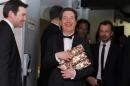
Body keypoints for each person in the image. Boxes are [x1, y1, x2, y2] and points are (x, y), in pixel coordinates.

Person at [43, 8, 93, 86]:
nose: (68, 21)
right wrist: (57, 56)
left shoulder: (84, 42)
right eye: (65, 18)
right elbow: (45, 64)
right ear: (60, 22)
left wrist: (75, 73)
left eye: (71, 18)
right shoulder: (51, 39)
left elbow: (90, 68)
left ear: (76, 22)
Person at [0, 1, 28, 86]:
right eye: (23, 15)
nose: (25, 19)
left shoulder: (5, 29)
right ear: (11, 14)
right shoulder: (5, 31)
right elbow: (2, 65)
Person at [86, 20, 121, 86]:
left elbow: (121, 71)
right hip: (93, 83)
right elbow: (85, 66)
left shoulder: (118, 50)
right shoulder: (92, 48)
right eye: (101, 31)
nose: (103, 34)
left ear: (112, 33)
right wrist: (87, 77)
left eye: (107, 31)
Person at [38, 5, 63, 86]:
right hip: (51, 78)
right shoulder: (56, 33)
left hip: (45, 76)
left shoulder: (47, 30)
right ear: (61, 16)